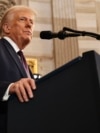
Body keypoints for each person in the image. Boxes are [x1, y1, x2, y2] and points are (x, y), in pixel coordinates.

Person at [0, 5, 37, 133]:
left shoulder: (21, 59)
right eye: (23, 19)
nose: (29, 25)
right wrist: (10, 88)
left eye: (31, 22)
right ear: (6, 27)